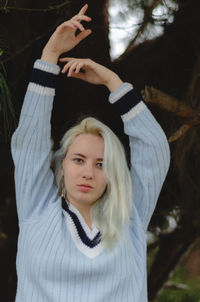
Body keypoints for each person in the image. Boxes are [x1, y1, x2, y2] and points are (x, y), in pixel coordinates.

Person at [11, 4, 170, 302]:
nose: (88, 172)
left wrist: (113, 83)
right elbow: (29, 142)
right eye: (79, 160)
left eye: (101, 164)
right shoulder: (36, 209)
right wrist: (49, 57)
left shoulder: (129, 217)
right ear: (61, 166)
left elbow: (154, 149)